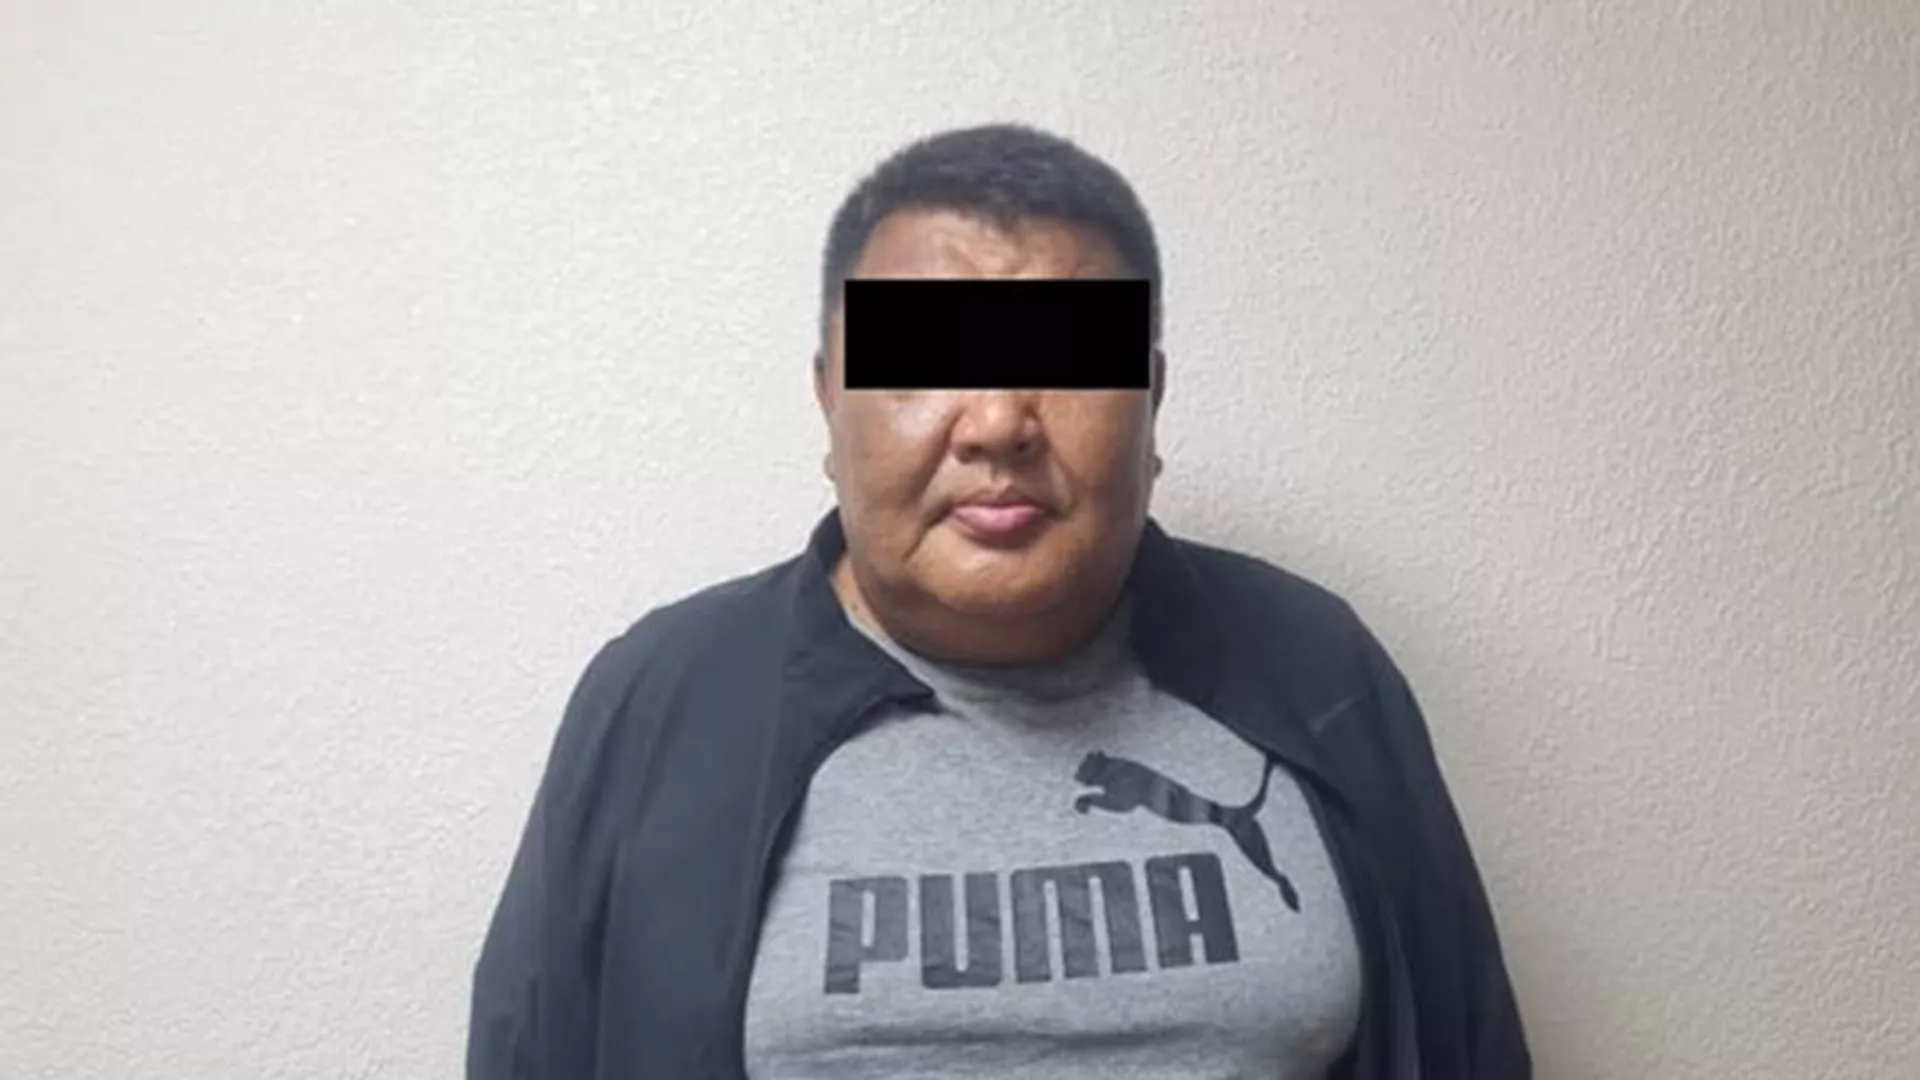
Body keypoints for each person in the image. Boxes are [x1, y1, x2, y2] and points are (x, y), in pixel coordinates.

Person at [468, 122, 1530, 1080]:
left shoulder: (1318, 668)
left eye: (1065, 360)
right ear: (830, 398)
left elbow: (1467, 1043)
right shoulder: (661, 701)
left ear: (1151, 398)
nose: (996, 425)